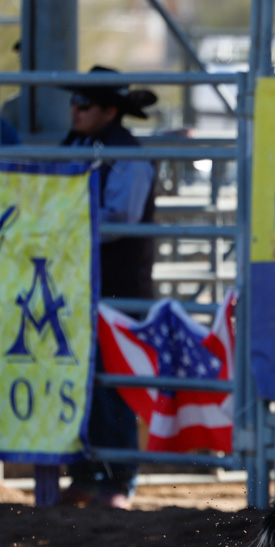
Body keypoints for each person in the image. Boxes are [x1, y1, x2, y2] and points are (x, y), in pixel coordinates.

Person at [59, 66, 158, 510]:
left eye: (84, 105)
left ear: (109, 111)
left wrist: (66, 223)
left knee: (113, 380)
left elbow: (121, 220)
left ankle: (118, 477)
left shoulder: (126, 153)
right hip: (83, 281)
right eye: (74, 103)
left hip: (117, 282)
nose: (74, 111)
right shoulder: (87, 144)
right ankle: (86, 473)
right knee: (82, 376)